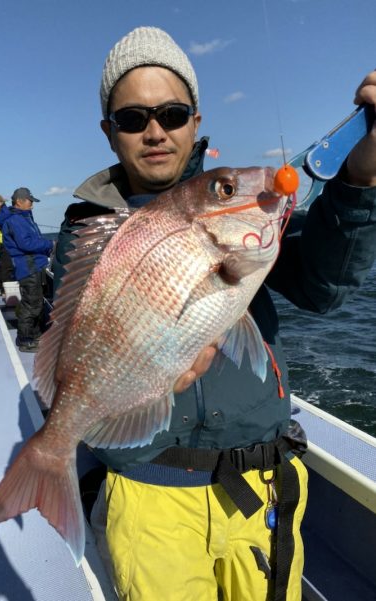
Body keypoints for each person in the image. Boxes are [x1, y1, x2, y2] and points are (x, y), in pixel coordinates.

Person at [53, 27, 376, 601]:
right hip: (147, 491)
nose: (155, 131)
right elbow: (79, 356)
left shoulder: (237, 224)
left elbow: (323, 289)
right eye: (132, 119)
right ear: (109, 132)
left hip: (263, 486)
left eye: (172, 113)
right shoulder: (87, 231)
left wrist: (359, 179)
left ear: (196, 122)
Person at [0, 187, 53, 353]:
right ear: (19, 202)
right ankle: (25, 340)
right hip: (28, 268)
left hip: (33, 265)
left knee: (35, 303)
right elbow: (26, 244)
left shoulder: (23, 217)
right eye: (30, 201)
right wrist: (50, 244)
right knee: (31, 305)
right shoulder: (16, 220)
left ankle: (34, 336)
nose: (32, 205)